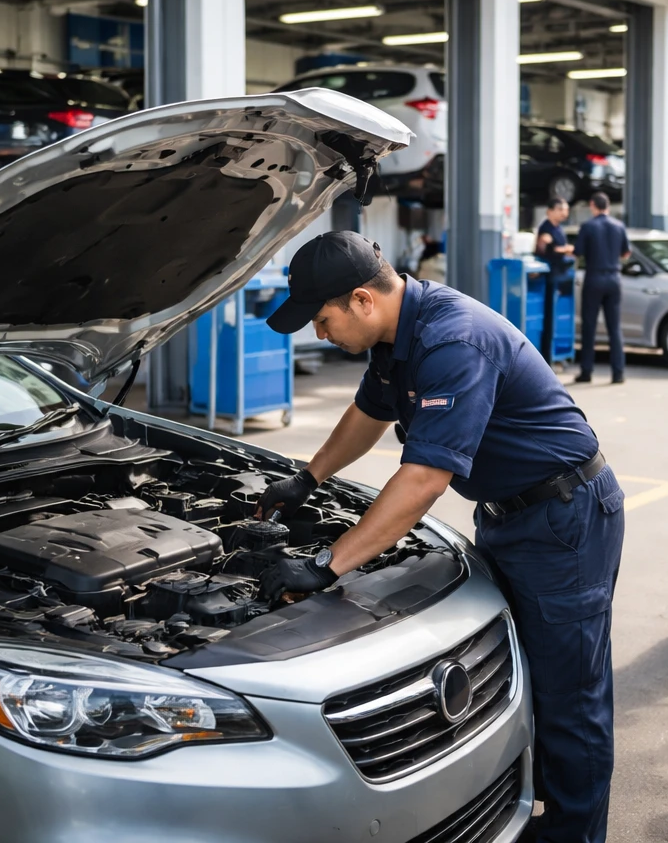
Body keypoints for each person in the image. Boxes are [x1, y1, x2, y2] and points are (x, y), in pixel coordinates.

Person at [259, 231, 625, 843]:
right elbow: (369, 414)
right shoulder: (394, 336)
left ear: (360, 300)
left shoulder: (453, 340)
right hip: (510, 515)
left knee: (571, 702)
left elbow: (426, 477)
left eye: (321, 320)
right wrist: (307, 478)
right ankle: (536, 815)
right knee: (519, 681)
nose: (317, 335)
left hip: (563, 522)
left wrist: (328, 564)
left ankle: (574, 835)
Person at [574, 192, 630, 385]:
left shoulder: (588, 227)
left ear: (592, 205)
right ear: (608, 206)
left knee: (589, 327)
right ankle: (618, 373)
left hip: (594, 277)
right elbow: (626, 253)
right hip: (614, 278)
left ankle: (586, 371)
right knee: (614, 328)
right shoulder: (619, 226)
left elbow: (578, 252)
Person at [535, 197, 575, 361]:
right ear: (550, 211)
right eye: (561, 209)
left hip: (561, 277)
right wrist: (561, 249)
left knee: (557, 321)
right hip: (550, 279)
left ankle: (554, 354)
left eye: (566, 210)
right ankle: (546, 358)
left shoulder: (559, 229)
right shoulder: (546, 228)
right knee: (549, 320)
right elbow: (542, 247)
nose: (564, 213)